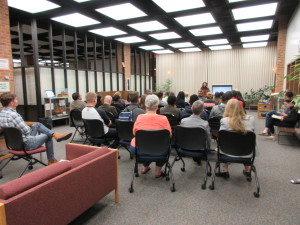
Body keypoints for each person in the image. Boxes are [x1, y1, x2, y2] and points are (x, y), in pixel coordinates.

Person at [0, 93, 72, 165]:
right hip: (25, 144)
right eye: (16, 99)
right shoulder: (14, 115)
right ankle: (51, 160)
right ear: (11, 102)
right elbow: (27, 131)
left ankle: (55, 134)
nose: (17, 100)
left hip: (12, 144)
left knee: (37, 124)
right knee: (48, 135)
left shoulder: (2, 113)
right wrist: (27, 126)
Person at [130, 94, 172, 178]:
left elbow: (135, 133)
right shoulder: (163, 118)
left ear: (146, 105)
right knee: (166, 146)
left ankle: (145, 166)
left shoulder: (139, 117)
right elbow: (169, 135)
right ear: (157, 106)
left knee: (146, 145)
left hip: (139, 149)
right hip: (160, 149)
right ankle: (158, 170)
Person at [219, 99, 255, 178]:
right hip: (246, 152)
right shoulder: (250, 119)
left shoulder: (224, 121)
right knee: (247, 139)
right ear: (240, 108)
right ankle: (247, 169)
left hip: (227, 151)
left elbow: (221, 136)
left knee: (225, 142)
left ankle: (225, 170)